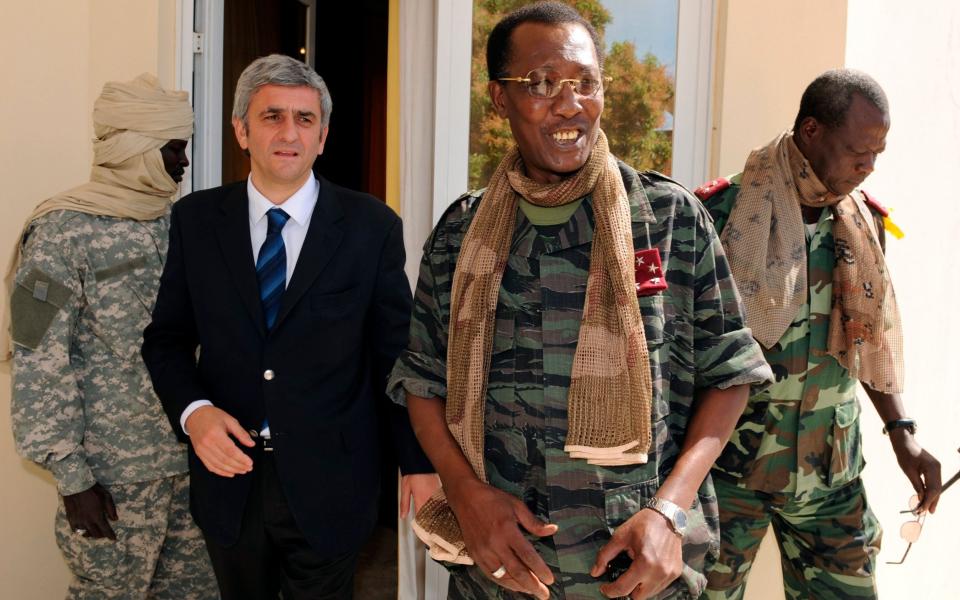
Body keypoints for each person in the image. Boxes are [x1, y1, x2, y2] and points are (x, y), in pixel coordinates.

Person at [387, 3, 773, 599]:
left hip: (636, 571)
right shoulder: (461, 235)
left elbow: (730, 375)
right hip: (502, 573)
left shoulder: (669, 219)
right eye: (541, 84)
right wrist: (465, 495)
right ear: (499, 98)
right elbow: (422, 382)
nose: (570, 105)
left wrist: (670, 511)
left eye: (586, 83)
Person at [141, 54, 435, 599]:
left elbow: (395, 356)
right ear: (241, 130)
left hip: (334, 484)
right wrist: (194, 414)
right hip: (229, 481)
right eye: (272, 116)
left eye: (304, 119)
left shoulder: (371, 226)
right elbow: (167, 340)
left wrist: (416, 463)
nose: (289, 132)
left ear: (322, 136)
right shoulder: (197, 222)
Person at [697, 69, 942, 600]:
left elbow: (868, 338)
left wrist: (901, 430)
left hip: (832, 476)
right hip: (731, 472)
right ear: (811, 132)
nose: (869, 166)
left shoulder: (863, 224)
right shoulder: (724, 216)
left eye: (878, 153)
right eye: (858, 150)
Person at [7, 74, 216, 598]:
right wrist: (73, 477)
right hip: (113, 477)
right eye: (173, 150)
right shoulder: (60, 231)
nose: (183, 165)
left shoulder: (180, 223)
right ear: (137, 149)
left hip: (192, 464)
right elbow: (37, 357)